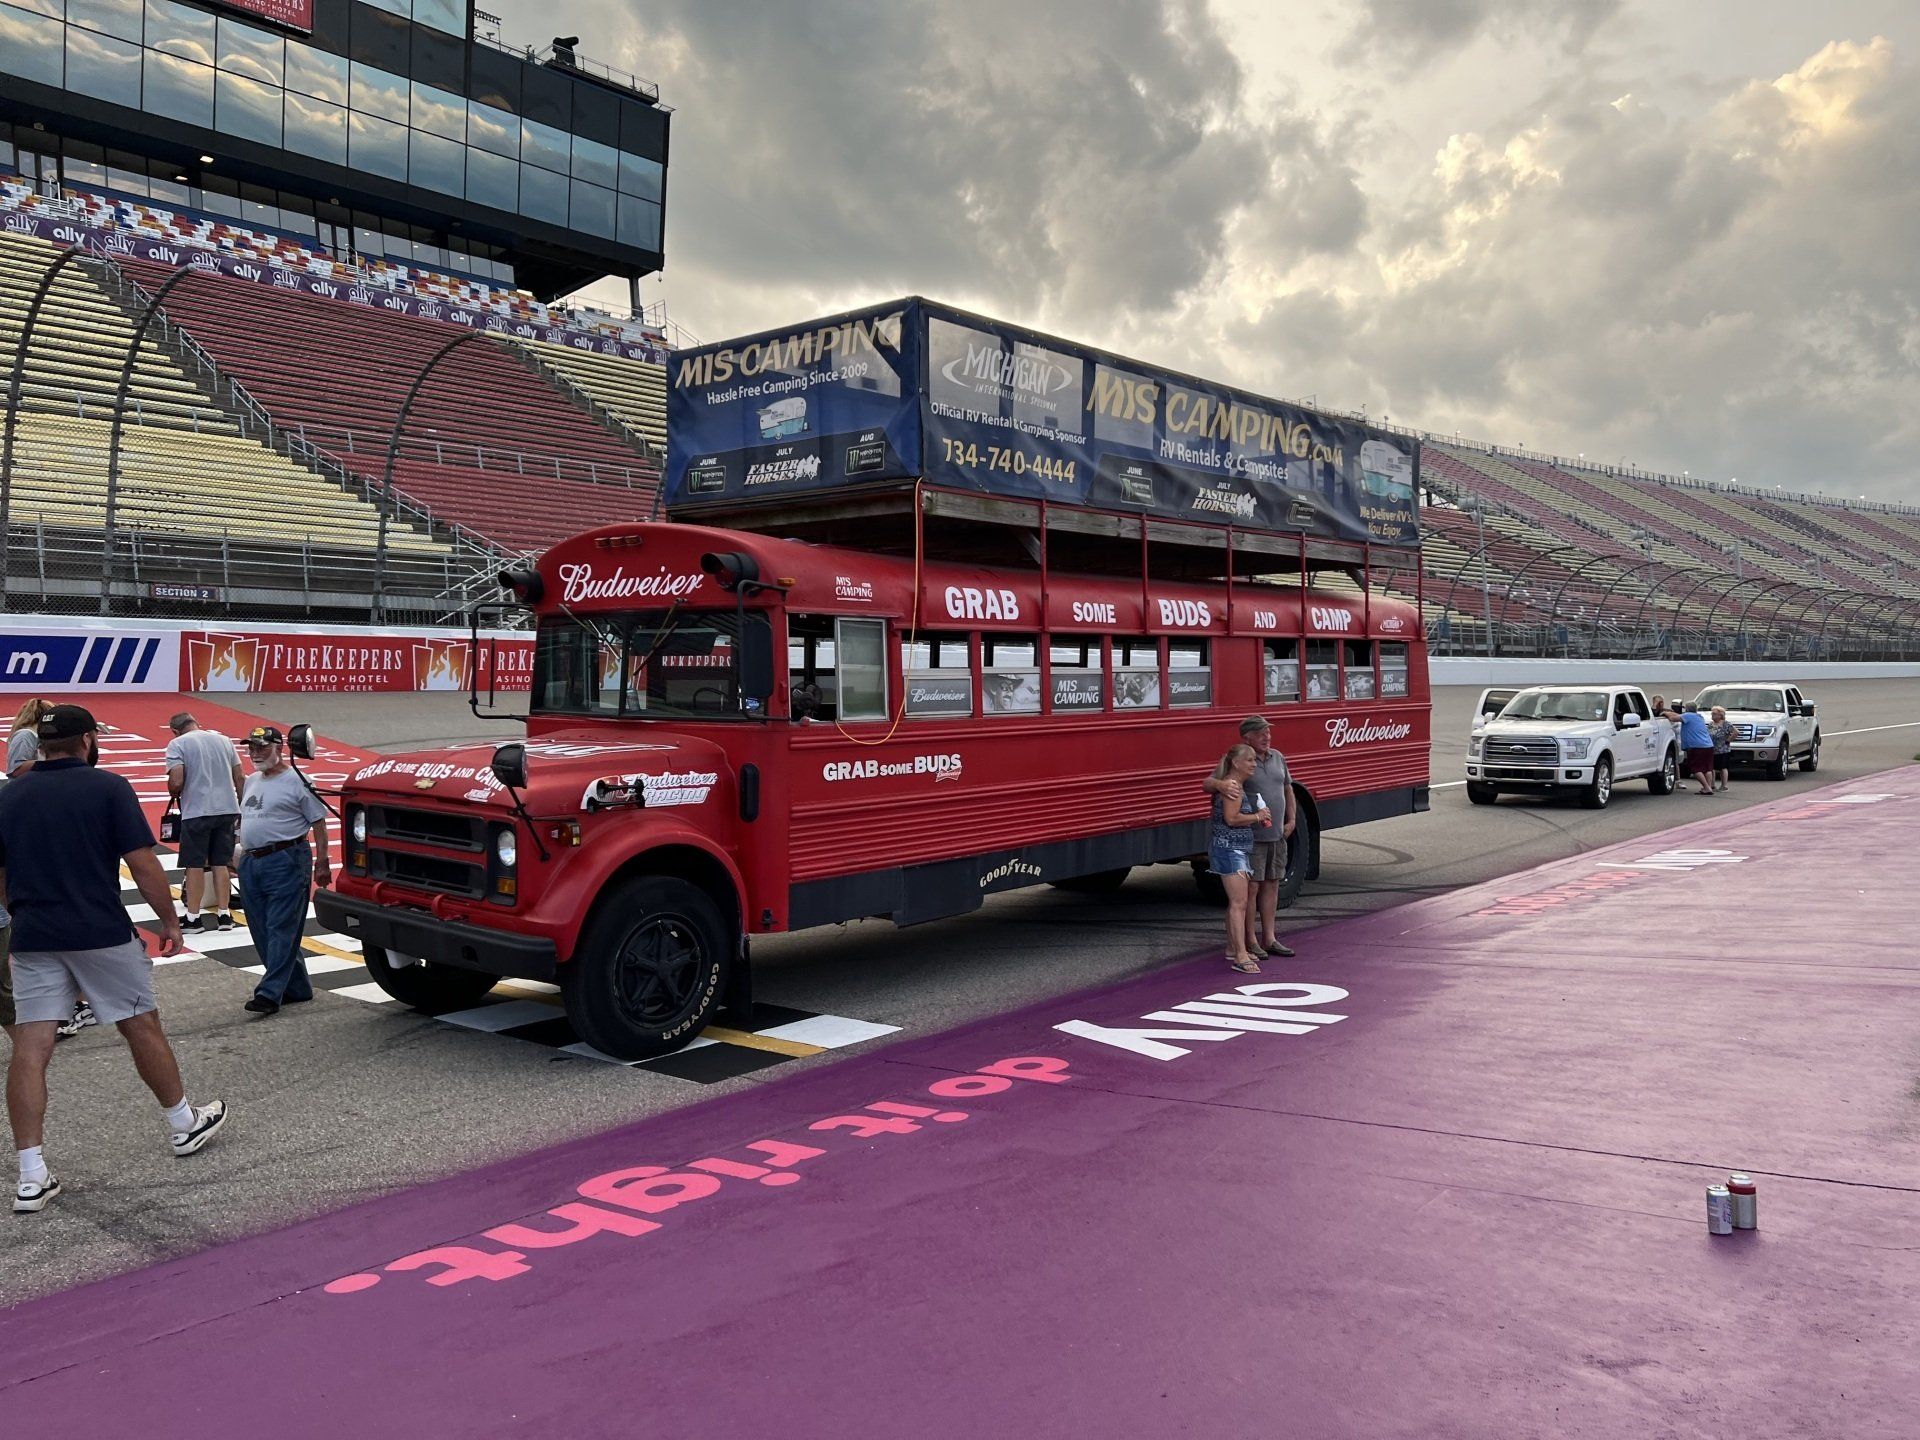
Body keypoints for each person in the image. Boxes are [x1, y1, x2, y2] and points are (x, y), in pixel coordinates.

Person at [0, 705, 226, 1214]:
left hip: (34, 935)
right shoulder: (107, 788)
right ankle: (182, 1123)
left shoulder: (10, 796)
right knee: (140, 1025)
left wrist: (19, 911)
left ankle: (31, 1176)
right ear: (86, 740)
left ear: (42, 744)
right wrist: (169, 921)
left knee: (31, 1048)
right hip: (99, 929)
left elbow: (2, 874)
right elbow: (142, 863)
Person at [236, 726, 331, 1015]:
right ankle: (297, 987)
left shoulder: (299, 781)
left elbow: (319, 822)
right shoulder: (252, 781)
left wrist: (323, 861)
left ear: (280, 748)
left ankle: (269, 993)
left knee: (281, 926)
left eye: (262, 747)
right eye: (252, 747)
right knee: (260, 927)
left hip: (285, 858)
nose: (255, 753)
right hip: (251, 860)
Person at [1204, 716, 1299, 959]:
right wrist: (1221, 785)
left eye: (1268, 732)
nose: (1267, 737)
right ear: (1247, 738)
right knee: (1251, 889)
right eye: (1260, 733)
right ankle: (1250, 940)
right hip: (1251, 837)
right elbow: (1208, 783)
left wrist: (1291, 820)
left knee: (1272, 883)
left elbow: (1288, 788)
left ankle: (1270, 938)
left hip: (1276, 833)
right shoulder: (1240, 759)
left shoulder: (1278, 757)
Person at [165, 712, 244, 933]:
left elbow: (176, 781)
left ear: (175, 730)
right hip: (227, 809)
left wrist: (172, 788)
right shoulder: (224, 740)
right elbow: (239, 777)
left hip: (197, 811)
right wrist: (242, 806)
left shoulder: (177, 744)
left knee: (195, 864)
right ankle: (225, 915)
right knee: (221, 862)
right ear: (196, 723)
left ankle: (193, 917)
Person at [1205, 744, 1268, 975]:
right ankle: (1240, 955)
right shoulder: (1232, 786)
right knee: (1239, 903)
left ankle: (1233, 947)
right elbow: (1231, 818)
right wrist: (1257, 816)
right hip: (1230, 850)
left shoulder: (1234, 784)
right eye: (1249, 760)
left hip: (1238, 849)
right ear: (1236, 763)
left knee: (1238, 901)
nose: (1253, 764)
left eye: (1254, 760)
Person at [1677, 702, 1716, 795]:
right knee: (1707, 768)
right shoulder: (1699, 717)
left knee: (1696, 769)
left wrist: (1665, 713)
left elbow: (1673, 718)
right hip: (1708, 745)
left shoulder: (1687, 716)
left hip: (1696, 747)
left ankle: (1706, 787)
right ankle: (1708, 787)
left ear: (1687, 709)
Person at [7, 698, 47, 778]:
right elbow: (16, 769)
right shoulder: (25, 735)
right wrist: (52, 763)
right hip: (26, 784)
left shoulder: (37, 735)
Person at [1709, 705, 1734, 792]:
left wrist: (1728, 740)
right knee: (1711, 768)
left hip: (1723, 749)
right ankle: (1712, 785)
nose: (1712, 715)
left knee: (1723, 768)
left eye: (1714, 714)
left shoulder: (1726, 724)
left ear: (1720, 715)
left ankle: (1724, 786)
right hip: (1712, 749)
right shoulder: (1711, 724)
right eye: (1712, 713)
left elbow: (1736, 732)